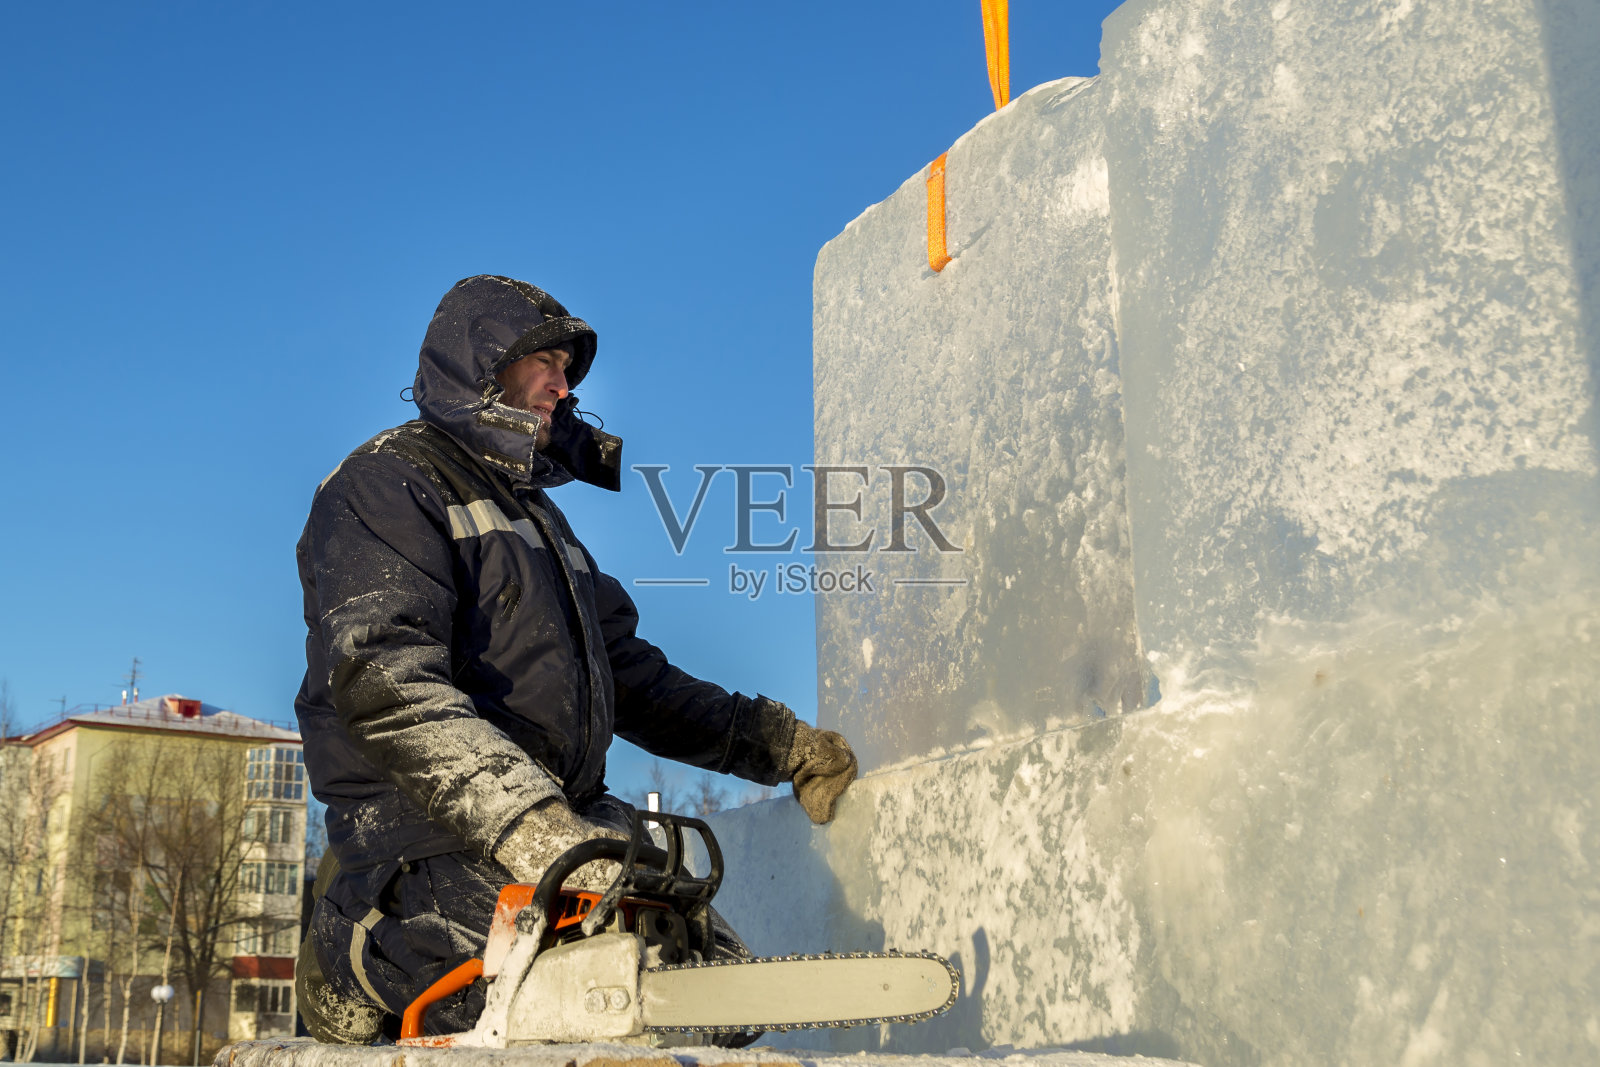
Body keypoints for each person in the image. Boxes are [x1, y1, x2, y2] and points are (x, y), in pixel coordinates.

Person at [292, 275, 858, 1042]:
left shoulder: (543, 525)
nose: (562, 384)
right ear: (481, 364)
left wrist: (776, 743)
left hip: (565, 821)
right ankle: (353, 943)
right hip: (423, 836)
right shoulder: (386, 484)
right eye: (543, 362)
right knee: (583, 1000)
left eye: (566, 367)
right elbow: (391, 686)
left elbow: (633, 678)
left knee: (714, 993)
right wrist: (533, 828)